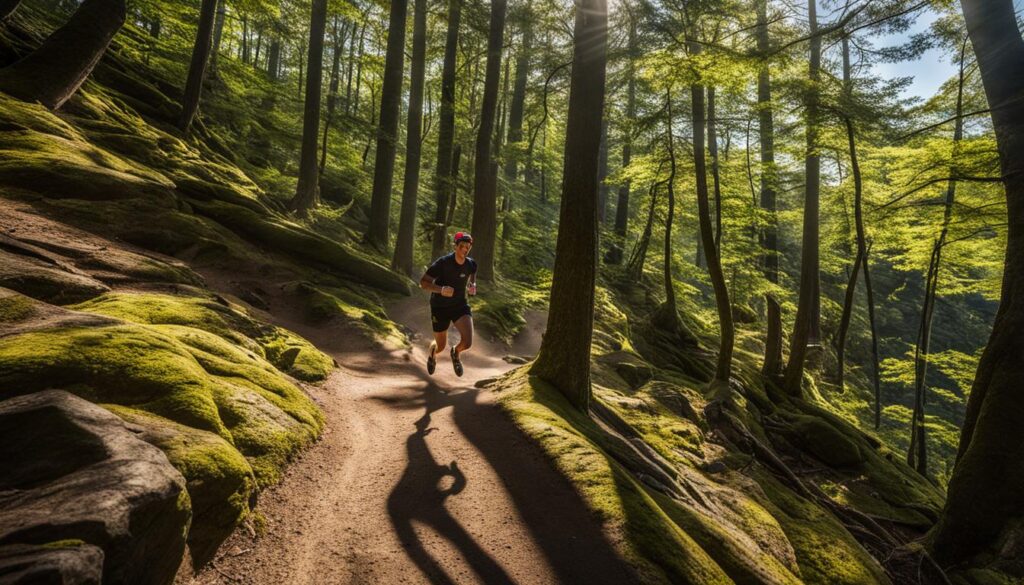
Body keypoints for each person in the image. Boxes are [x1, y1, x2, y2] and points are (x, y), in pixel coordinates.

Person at [419, 232, 477, 376]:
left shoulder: (471, 264)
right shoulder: (443, 263)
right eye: (462, 246)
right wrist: (440, 289)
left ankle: (456, 353)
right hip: (440, 307)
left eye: (467, 247)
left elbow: (472, 275)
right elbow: (423, 283)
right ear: (455, 246)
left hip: (459, 305)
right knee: (440, 346)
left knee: (468, 342)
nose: (465, 249)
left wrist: (472, 285)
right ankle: (432, 355)